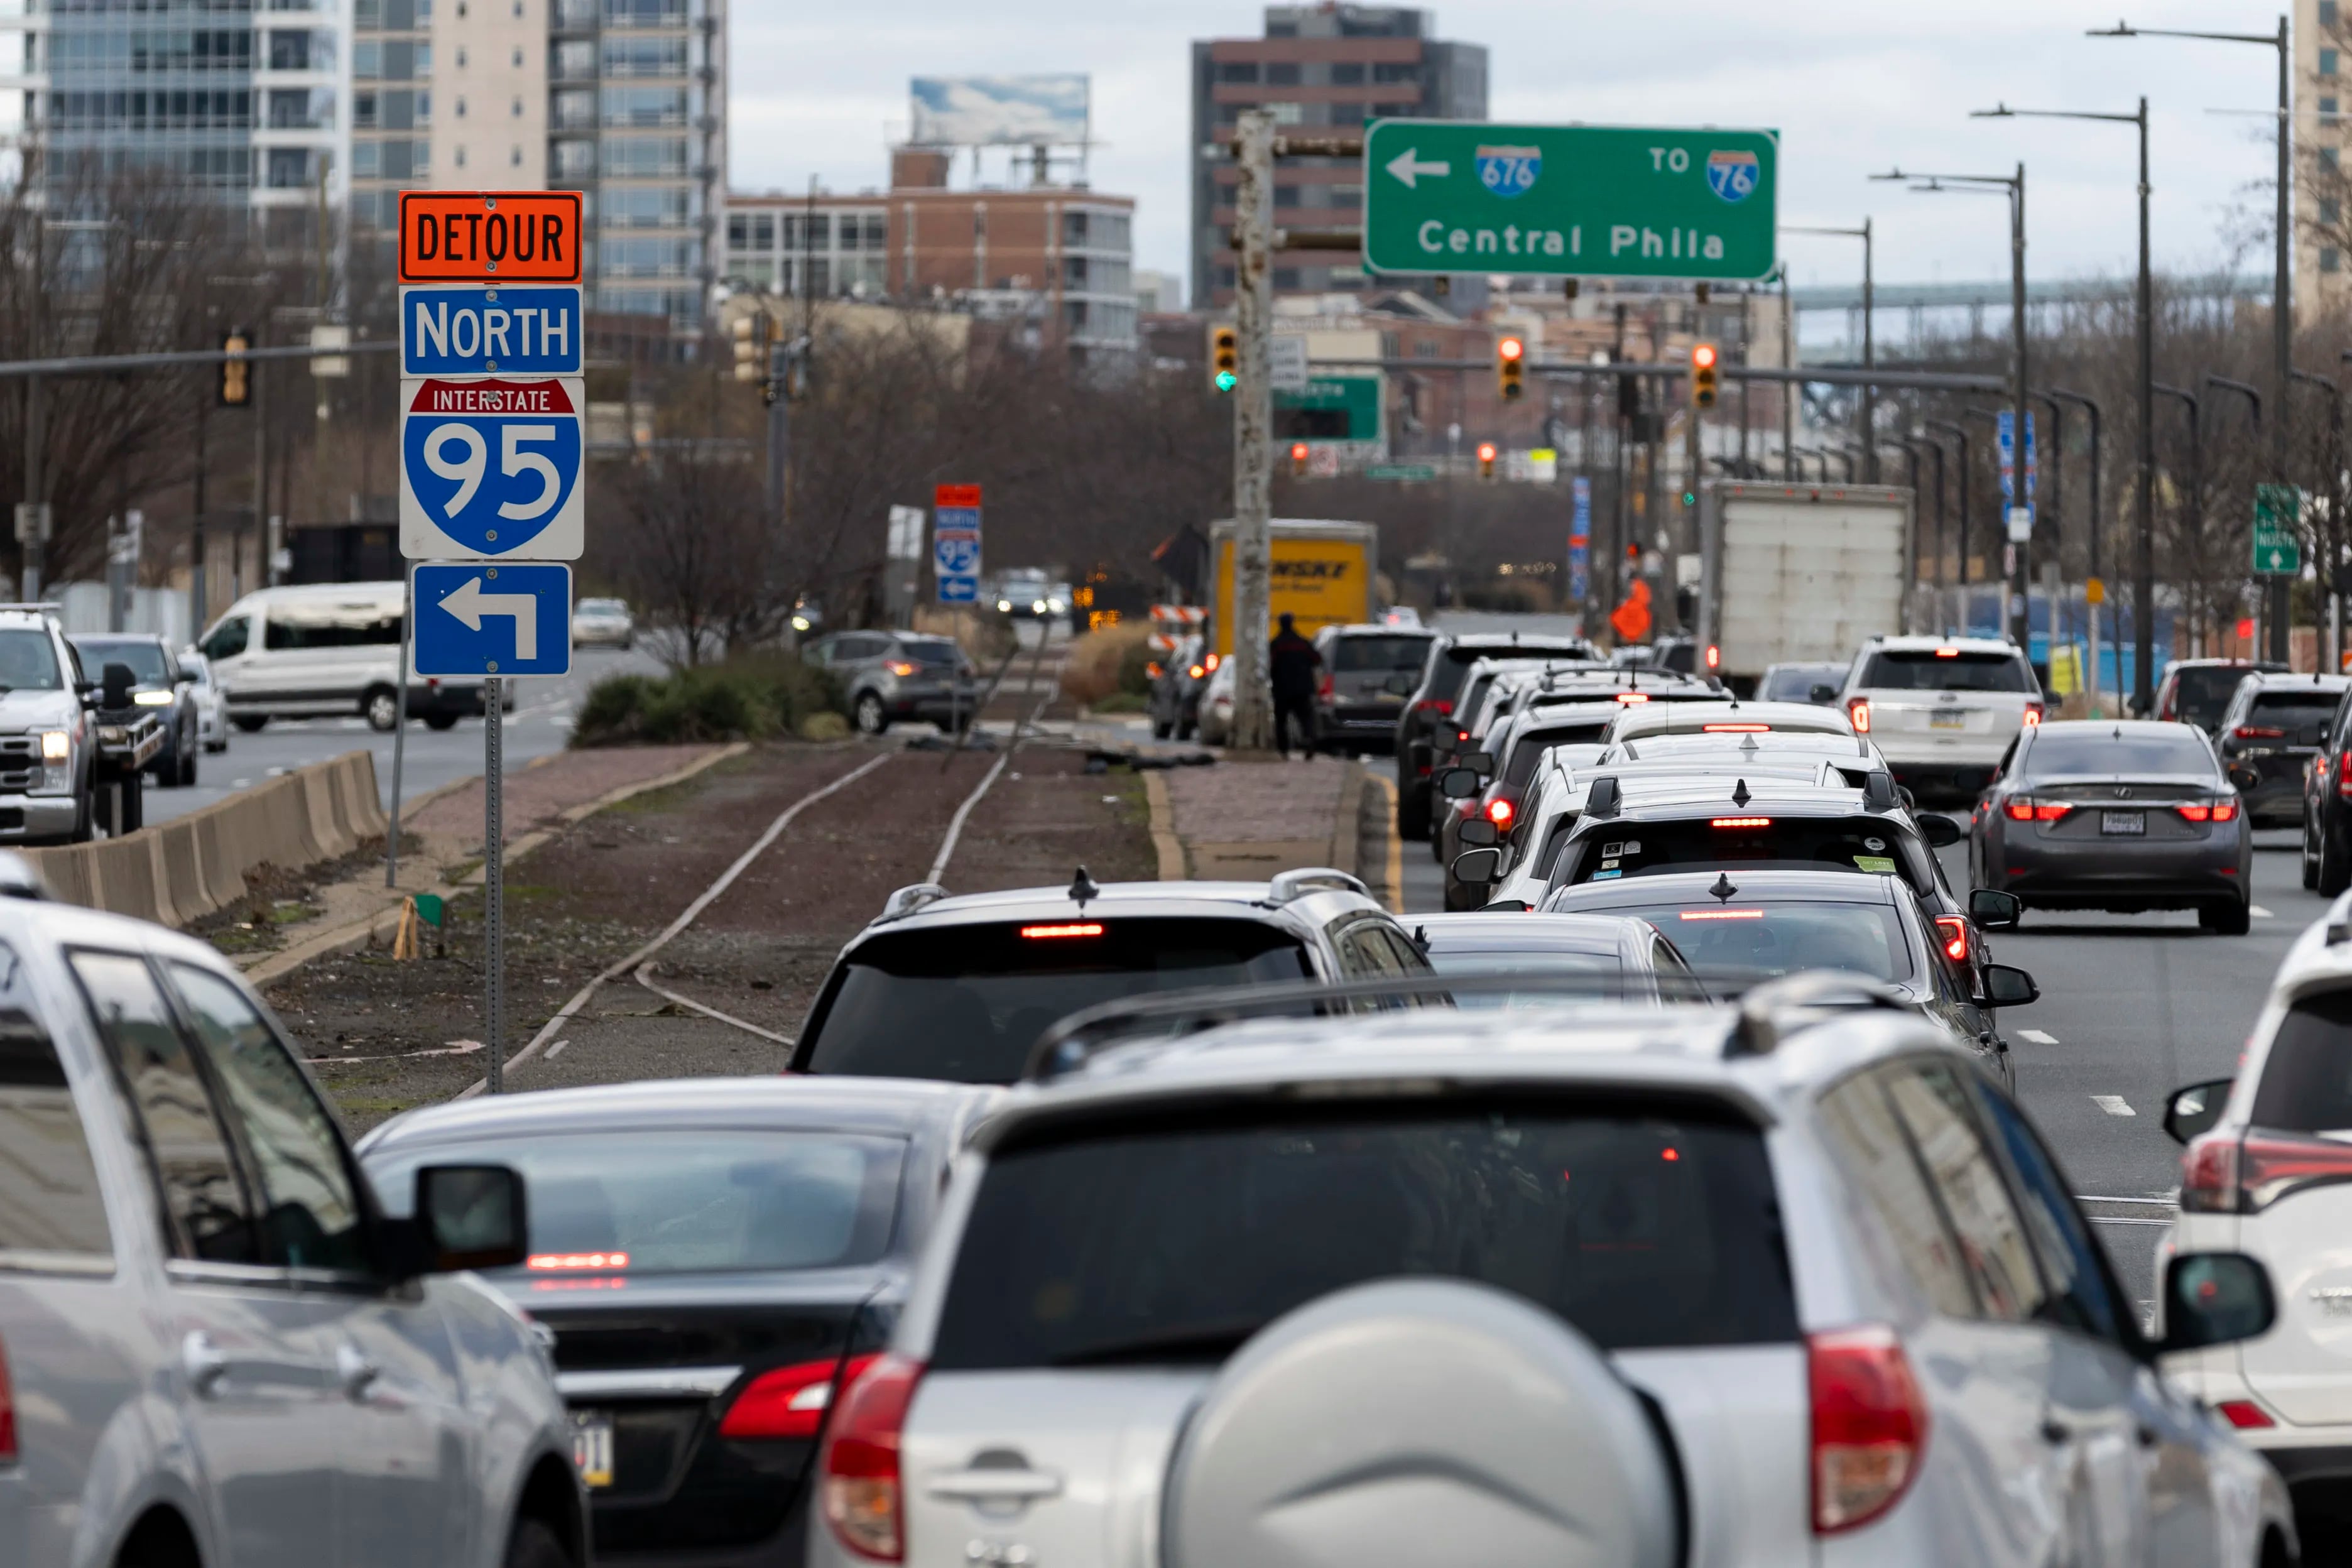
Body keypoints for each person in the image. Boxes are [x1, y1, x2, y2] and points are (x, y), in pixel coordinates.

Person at [1269, 612, 1322, 759]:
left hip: (1282, 691)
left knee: (1282, 722)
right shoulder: (1302, 643)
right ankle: (1309, 741)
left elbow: (1269, 666)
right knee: (1305, 720)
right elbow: (1317, 659)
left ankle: (1283, 751)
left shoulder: (1276, 645)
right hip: (1302, 690)